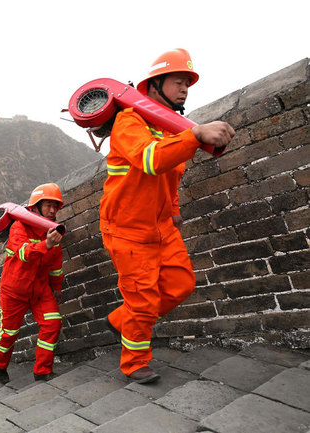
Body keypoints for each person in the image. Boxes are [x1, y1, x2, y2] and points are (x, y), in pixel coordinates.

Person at [100, 48, 235, 384]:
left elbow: (170, 178)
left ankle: (122, 319)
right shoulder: (128, 122)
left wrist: (173, 212)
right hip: (128, 231)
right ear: (154, 84)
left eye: (188, 82)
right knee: (144, 302)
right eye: (178, 81)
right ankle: (134, 363)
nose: (185, 88)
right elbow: (150, 161)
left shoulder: (171, 129)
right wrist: (196, 134)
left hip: (161, 228)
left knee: (181, 284)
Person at [0, 183, 65, 384]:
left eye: (55, 206)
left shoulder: (53, 232)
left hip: (40, 290)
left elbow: (56, 266)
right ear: (35, 207)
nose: (52, 210)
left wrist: (56, 288)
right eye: (48, 205)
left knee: (52, 323)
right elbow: (23, 253)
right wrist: (46, 244)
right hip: (14, 291)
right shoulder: (19, 227)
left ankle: (42, 370)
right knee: (9, 332)